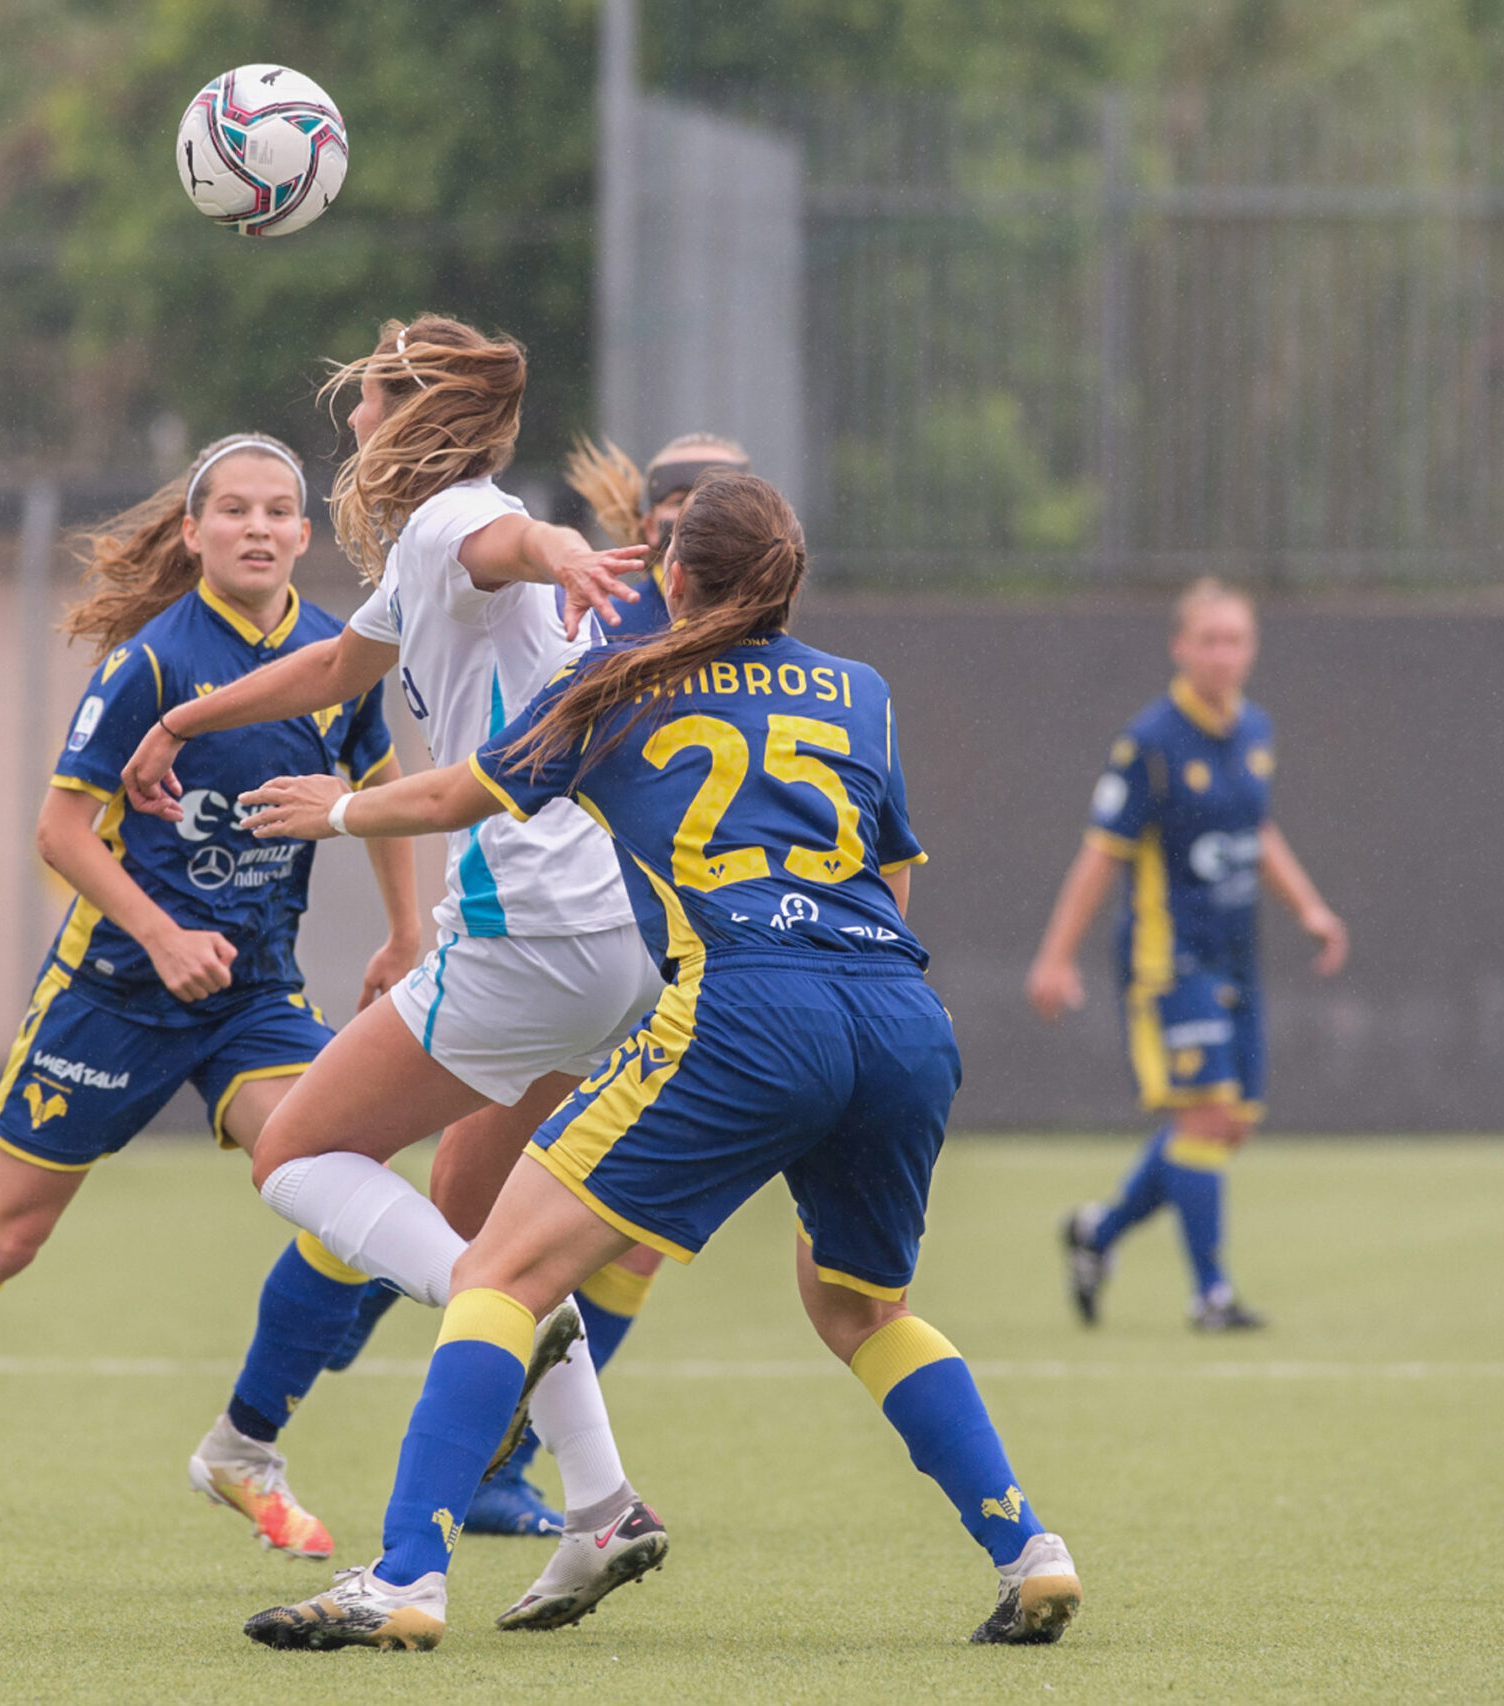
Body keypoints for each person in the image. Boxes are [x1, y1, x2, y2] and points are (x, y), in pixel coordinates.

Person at [233, 472, 1082, 1652]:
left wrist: (335, 809)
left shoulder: (616, 683)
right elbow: (890, 875)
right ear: (789, 581)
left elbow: (456, 794)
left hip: (748, 1007)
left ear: (673, 575)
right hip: (897, 1012)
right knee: (860, 1306)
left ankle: (406, 1575)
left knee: (498, 1274)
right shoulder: (860, 690)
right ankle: (1030, 1549)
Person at [0, 433, 425, 1588]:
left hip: (251, 994)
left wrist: (404, 930)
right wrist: (161, 933)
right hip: (114, 995)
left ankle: (243, 1444)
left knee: (348, 1181)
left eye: (277, 510)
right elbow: (60, 830)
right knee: (4, 1237)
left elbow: (377, 791)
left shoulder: (338, 658)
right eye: (232, 509)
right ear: (193, 532)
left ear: (304, 533)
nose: (256, 527)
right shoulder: (153, 663)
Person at [117, 314, 672, 1617]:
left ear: (414, 419)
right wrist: (182, 714)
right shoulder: (429, 546)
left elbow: (510, 542)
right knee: (477, 1209)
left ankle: (481, 1348)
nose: (352, 421)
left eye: (368, 401)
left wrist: (564, 549)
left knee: (295, 1153)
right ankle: (601, 1505)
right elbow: (332, 665)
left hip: (527, 930)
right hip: (611, 937)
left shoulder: (455, 522)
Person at [1024, 578, 1349, 1331]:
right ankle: (1211, 1297)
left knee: (1229, 1125)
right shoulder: (1151, 742)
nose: (1222, 654)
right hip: (1169, 959)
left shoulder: (1256, 731)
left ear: (1252, 649)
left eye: (1235, 640)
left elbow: (1258, 832)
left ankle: (1097, 1234)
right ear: (1179, 647)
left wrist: (1309, 908)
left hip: (1235, 956)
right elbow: (1101, 853)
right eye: (1208, 640)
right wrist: (1055, 957)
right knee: (1205, 1117)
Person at [563, 431, 752, 642]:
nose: (700, 512)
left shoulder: (768, 615)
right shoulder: (611, 628)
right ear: (651, 527)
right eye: (679, 501)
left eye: (722, 500)